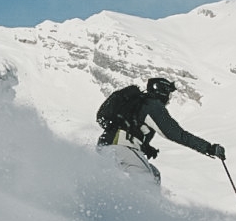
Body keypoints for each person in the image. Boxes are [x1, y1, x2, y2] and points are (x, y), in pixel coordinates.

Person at [96, 77, 225, 185]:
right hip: (122, 147)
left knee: (155, 174)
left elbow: (130, 126)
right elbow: (176, 134)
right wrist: (208, 148)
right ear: (162, 91)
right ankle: (143, 213)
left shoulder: (137, 103)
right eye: (168, 92)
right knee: (147, 180)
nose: (169, 98)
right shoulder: (152, 105)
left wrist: (145, 147)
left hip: (106, 145)